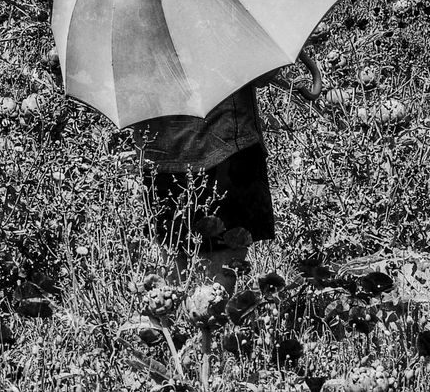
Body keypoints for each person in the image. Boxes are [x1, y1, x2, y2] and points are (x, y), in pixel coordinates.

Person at [129, 52, 322, 291]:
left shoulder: (124, 20)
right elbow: (262, 70)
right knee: (220, 285)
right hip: (225, 146)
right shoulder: (223, 14)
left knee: (173, 284)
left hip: (160, 150)